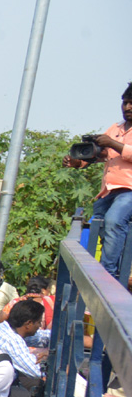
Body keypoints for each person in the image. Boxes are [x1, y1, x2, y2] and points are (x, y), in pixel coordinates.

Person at [64, 82, 132, 278]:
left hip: (129, 190)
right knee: (100, 225)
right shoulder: (116, 128)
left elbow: (118, 149)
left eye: (131, 103)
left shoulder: (113, 136)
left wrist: (111, 143)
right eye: (125, 103)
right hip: (108, 190)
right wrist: (78, 162)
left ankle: (108, 274)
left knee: (113, 221)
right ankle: (116, 269)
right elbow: (101, 154)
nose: (127, 108)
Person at [0, 298, 46, 379]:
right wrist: (48, 359)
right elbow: (37, 371)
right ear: (28, 324)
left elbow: (43, 337)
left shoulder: (8, 328)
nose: (39, 326)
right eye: (39, 322)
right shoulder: (11, 340)